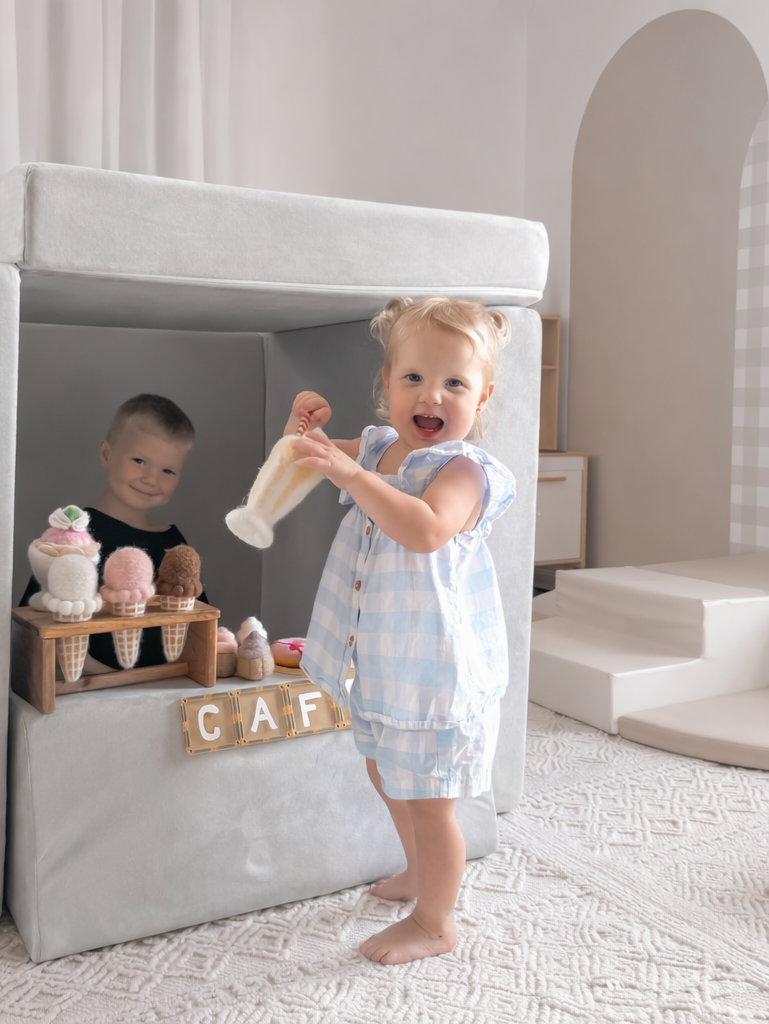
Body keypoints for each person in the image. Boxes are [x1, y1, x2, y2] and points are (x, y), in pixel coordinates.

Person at [291, 297, 516, 965]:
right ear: (387, 384)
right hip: (384, 661)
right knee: (384, 771)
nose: (431, 395)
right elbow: (308, 457)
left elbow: (425, 529)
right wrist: (305, 427)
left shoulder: (464, 472)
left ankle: (436, 923)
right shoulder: (379, 447)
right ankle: (418, 872)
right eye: (413, 377)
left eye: (455, 383)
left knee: (429, 799)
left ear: (481, 397)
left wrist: (354, 476)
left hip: (435, 672)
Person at [20, 393, 206, 670]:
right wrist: (104, 679)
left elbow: (198, 626)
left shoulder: (174, 543)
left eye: (168, 470)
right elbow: (35, 623)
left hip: (171, 684)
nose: (151, 479)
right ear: (107, 454)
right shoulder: (73, 538)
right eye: (139, 460)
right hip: (93, 685)